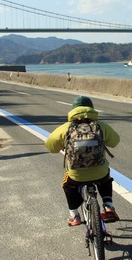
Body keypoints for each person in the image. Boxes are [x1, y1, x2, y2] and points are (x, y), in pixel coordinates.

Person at [45, 96, 120, 226]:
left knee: (68, 186)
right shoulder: (100, 126)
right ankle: (108, 206)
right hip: (99, 172)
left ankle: (74, 216)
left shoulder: (66, 128)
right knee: (105, 178)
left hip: (76, 175)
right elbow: (115, 141)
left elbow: (50, 146)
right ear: (92, 109)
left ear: (73, 110)